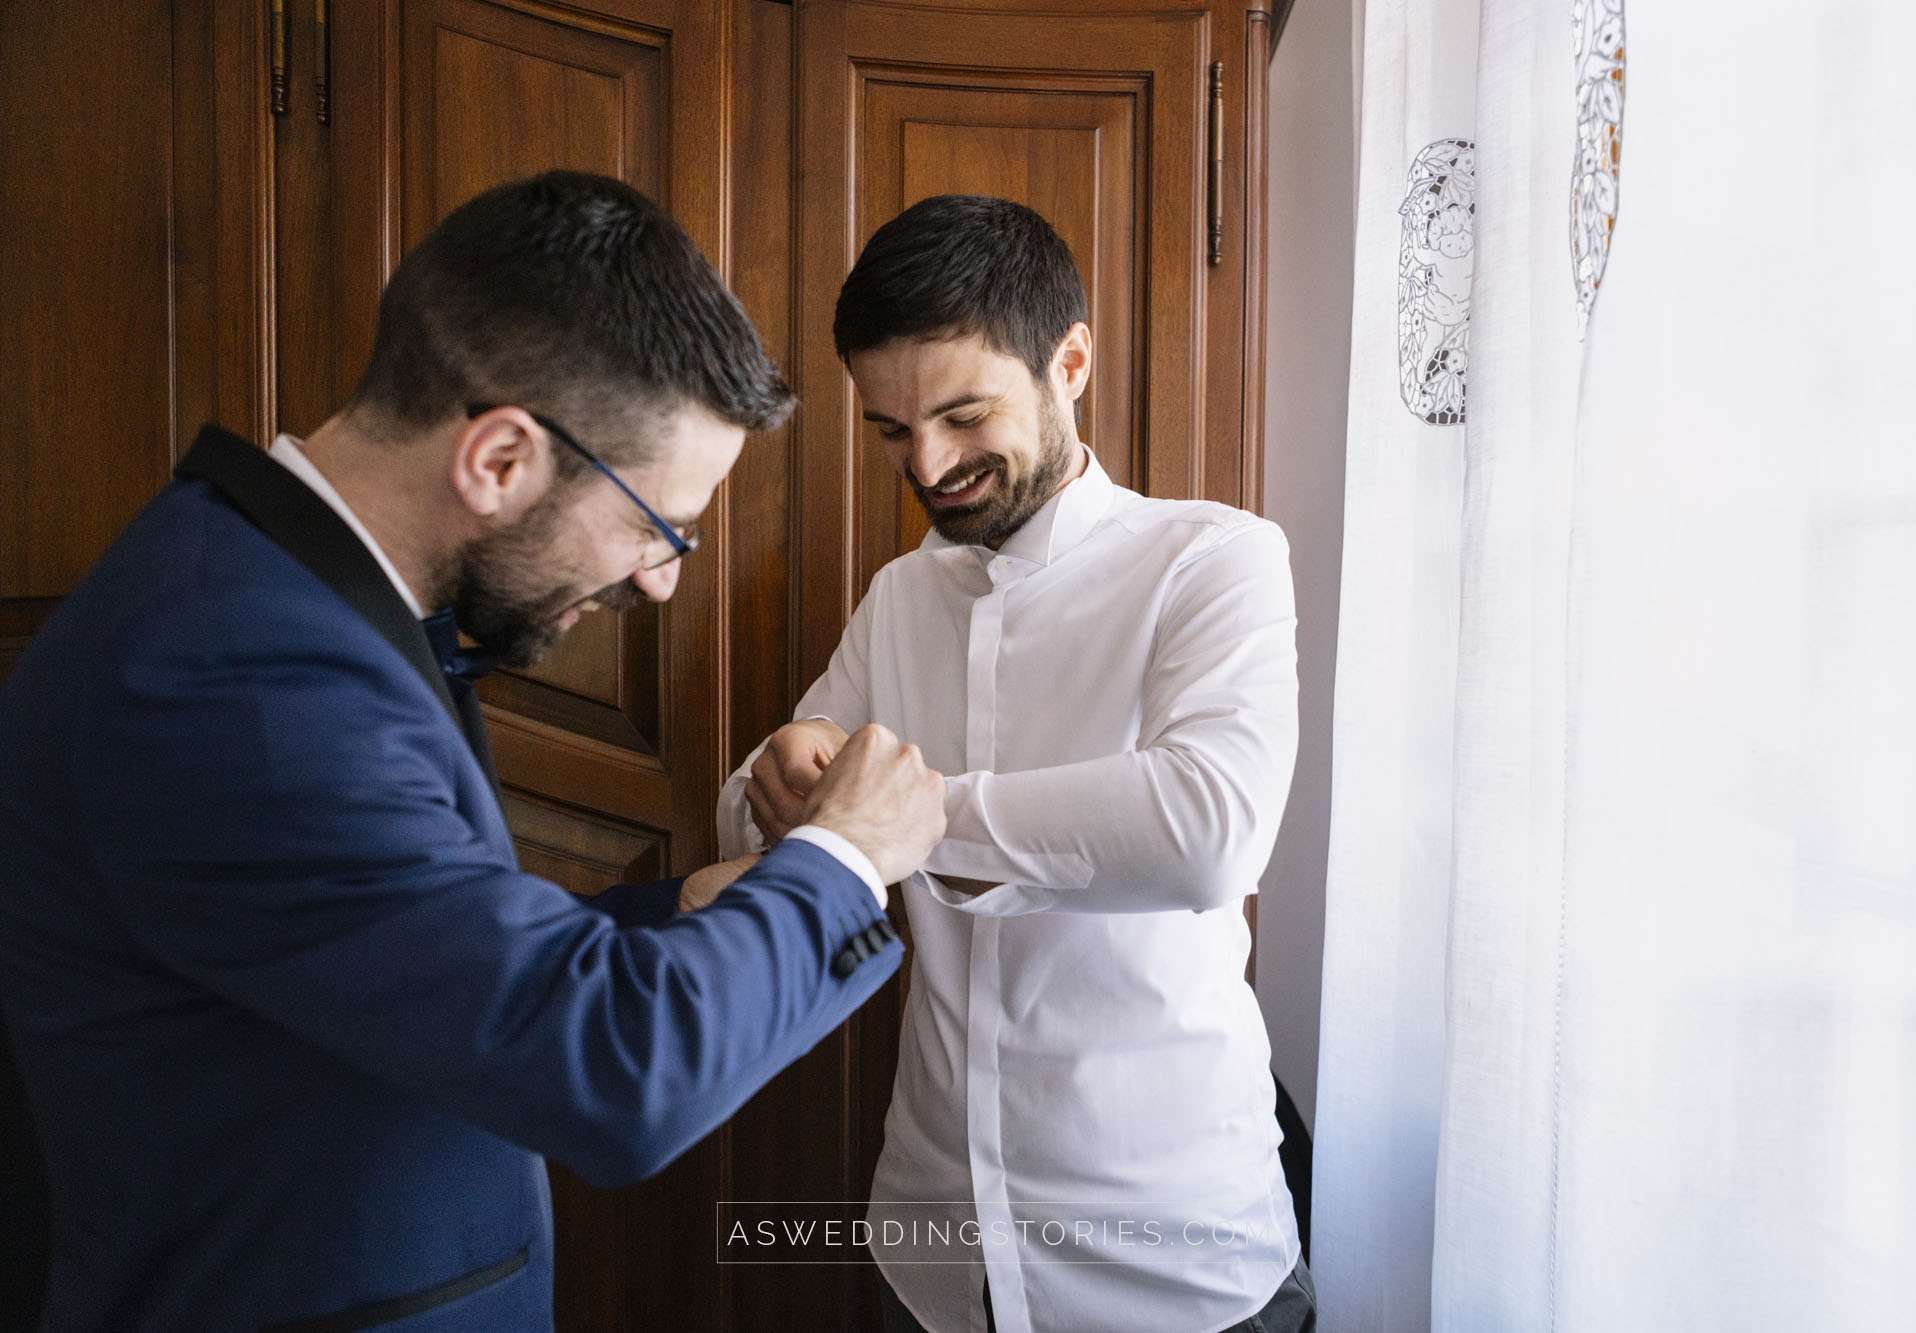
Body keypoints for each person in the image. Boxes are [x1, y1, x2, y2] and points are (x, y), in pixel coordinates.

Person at [0, 170, 945, 1330]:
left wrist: (695, 907)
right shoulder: (235, 671)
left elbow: (427, 964)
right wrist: (846, 858)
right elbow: (608, 1071)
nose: (656, 579)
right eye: (659, 529)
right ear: (499, 458)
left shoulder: (289, 605)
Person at [718, 195, 1316, 1333]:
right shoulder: (899, 597)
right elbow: (751, 822)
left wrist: (901, 817)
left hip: (1174, 1259)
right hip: (932, 1248)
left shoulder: (1212, 559)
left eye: (960, 414)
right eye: (892, 431)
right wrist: (772, 777)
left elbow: (1206, 833)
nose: (928, 464)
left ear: (1070, 362)